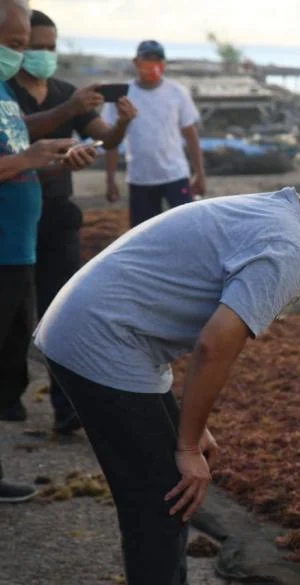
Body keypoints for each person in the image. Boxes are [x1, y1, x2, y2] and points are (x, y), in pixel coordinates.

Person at [34, 154, 300, 585]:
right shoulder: (286, 248)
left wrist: (191, 425)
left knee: (167, 490)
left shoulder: (279, 214)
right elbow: (215, 345)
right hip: (101, 337)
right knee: (164, 499)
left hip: (110, 330)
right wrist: (184, 447)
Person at [8, 9, 138, 434]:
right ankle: (11, 398)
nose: (41, 55)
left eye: (49, 48)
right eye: (30, 46)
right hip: (13, 220)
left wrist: (120, 125)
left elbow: (105, 137)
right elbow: (22, 146)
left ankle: (67, 407)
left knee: (59, 312)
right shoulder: (9, 92)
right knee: (15, 318)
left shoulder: (66, 91)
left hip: (57, 214)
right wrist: (65, 113)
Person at [0, 0, 96, 499]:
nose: (21, 56)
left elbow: (20, 161)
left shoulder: (4, 96)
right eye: (15, 45)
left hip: (19, 248)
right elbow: (14, 162)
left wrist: (56, 161)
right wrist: (28, 158)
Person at [103, 39, 206, 227]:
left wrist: (199, 173)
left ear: (164, 64)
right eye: (147, 59)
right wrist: (110, 180)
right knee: (143, 233)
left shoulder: (177, 92)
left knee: (187, 227)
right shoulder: (123, 95)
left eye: (157, 59)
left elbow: (190, 135)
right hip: (140, 177)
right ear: (136, 62)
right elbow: (112, 140)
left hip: (175, 175)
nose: (153, 65)